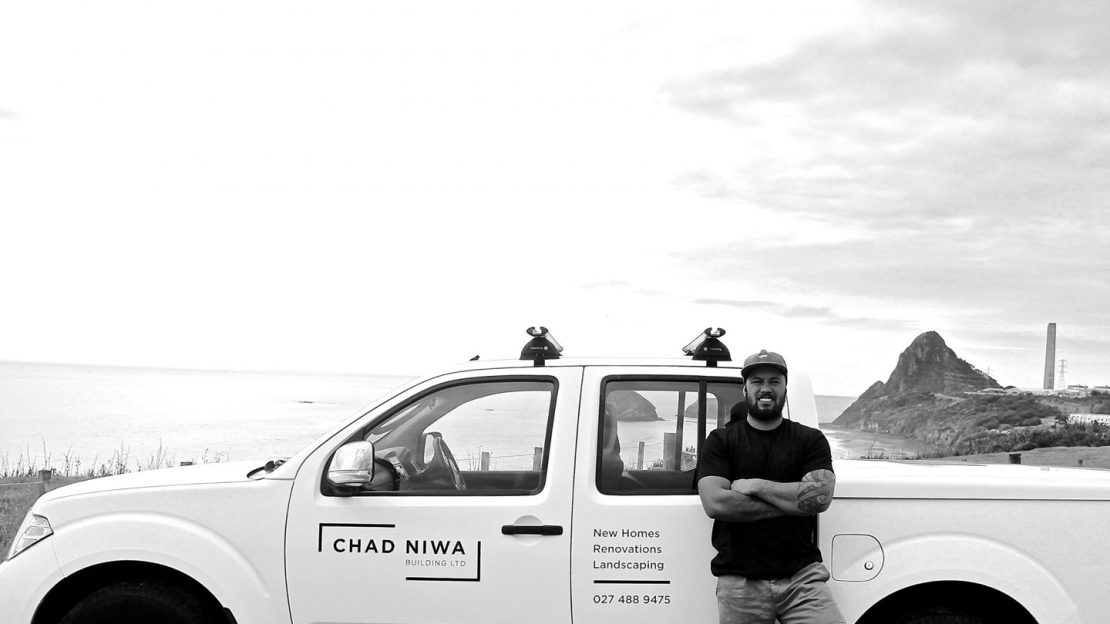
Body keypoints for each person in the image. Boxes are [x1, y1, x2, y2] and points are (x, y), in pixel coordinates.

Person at [696, 349, 844, 624]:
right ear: (745, 389)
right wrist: (793, 504)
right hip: (740, 581)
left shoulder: (810, 440)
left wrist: (756, 485)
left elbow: (819, 497)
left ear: (785, 388)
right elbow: (716, 503)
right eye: (757, 381)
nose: (766, 388)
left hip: (802, 577)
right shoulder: (721, 441)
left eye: (774, 381)